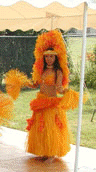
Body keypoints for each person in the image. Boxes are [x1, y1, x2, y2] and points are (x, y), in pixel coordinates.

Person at [25, 30, 77, 163]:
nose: (49, 59)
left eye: (51, 57)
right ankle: (44, 152)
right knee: (41, 128)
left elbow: (59, 88)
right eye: (47, 56)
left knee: (51, 128)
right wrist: (23, 83)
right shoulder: (41, 71)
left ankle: (52, 153)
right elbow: (36, 84)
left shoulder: (57, 71)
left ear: (56, 58)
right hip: (41, 101)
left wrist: (68, 93)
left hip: (51, 104)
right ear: (43, 57)